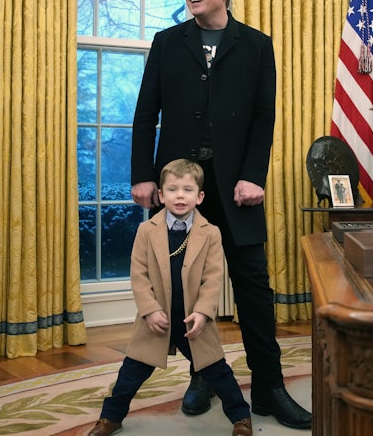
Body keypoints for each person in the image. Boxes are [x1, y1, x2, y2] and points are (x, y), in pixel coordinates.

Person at [129, 0, 311, 429]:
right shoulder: (167, 43)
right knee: (185, 290)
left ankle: (270, 388)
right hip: (180, 192)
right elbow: (147, 114)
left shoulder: (256, 45)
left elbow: (262, 118)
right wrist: (142, 175)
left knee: (254, 288)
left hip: (237, 191)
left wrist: (254, 176)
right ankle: (202, 376)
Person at [89, 159, 252, 436]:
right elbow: (139, 275)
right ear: (161, 195)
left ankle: (240, 417)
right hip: (157, 318)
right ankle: (110, 418)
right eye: (173, 189)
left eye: (188, 190)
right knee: (130, 374)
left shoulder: (210, 233)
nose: (180, 195)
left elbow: (212, 279)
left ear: (199, 197)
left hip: (193, 321)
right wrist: (150, 310)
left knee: (218, 372)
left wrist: (203, 312)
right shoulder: (146, 230)